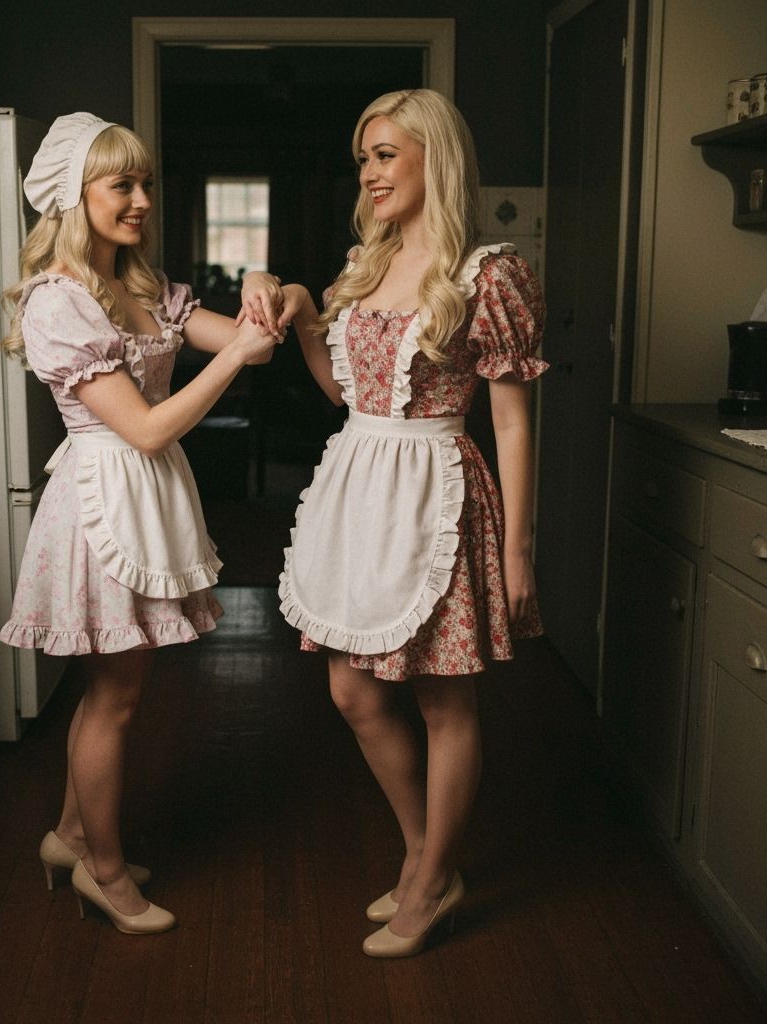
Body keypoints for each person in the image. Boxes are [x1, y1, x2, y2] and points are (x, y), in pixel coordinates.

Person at [264, 89, 547, 957]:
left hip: (438, 492)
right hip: (361, 488)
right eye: (364, 158)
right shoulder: (365, 262)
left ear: (435, 157)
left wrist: (520, 552)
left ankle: (427, 882)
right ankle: (429, 854)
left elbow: (511, 420)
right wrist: (312, 318)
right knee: (352, 687)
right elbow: (347, 396)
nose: (370, 172)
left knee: (440, 695)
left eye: (385, 154)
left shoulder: (488, 273)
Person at [0, 112, 282, 935]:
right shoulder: (59, 301)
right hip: (101, 501)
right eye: (121, 184)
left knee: (113, 692)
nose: (141, 200)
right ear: (72, 196)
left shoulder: (145, 287)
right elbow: (149, 427)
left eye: (145, 183)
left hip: (146, 495)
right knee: (115, 697)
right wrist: (232, 356)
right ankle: (104, 871)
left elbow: (249, 342)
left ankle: (69, 837)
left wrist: (263, 286)